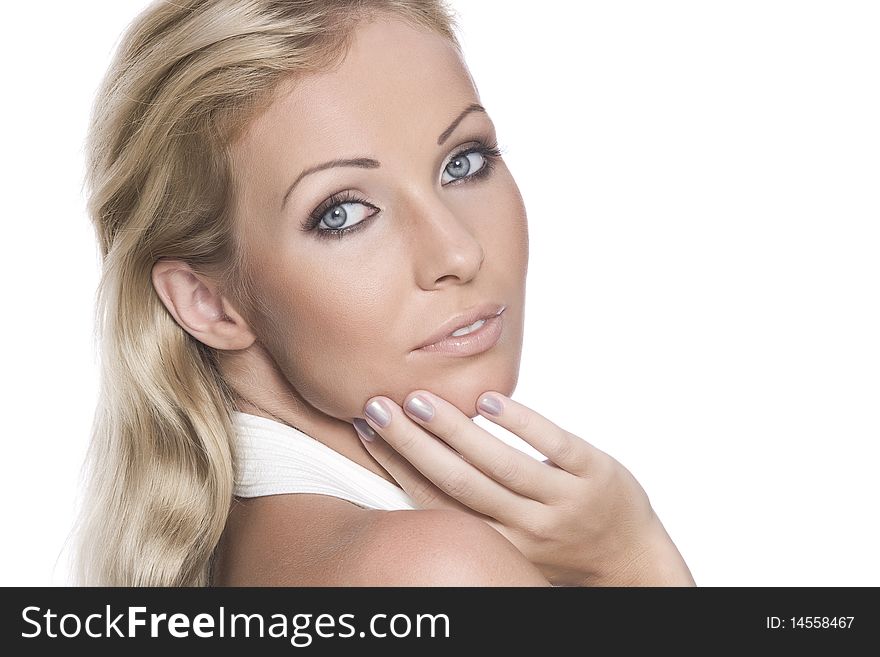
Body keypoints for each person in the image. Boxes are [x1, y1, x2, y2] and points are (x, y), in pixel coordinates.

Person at [72, 0, 695, 587]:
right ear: (206, 302)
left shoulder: (253, 547)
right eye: (343, 213)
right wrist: (633, 559)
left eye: (464, 162)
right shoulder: (435, 570)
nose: (459, 252)